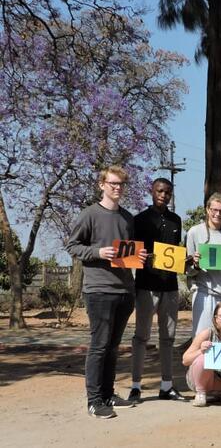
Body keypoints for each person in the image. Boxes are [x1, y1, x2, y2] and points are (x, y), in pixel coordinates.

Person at [66, 165, 147, 418]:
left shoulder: (127, 217)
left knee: (113, 346)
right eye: (112, 183)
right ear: (102, 185)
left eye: (121, 184)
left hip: (125, 290)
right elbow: (73, 246)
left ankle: (109, 393)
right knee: (99, 346)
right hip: (98, 290)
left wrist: (140, 255)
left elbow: (129, 251)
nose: (117, 188)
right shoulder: (89, 214)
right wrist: (97, 252)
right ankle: (94, 400)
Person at [128, 178, 187, 403]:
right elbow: (132, 253)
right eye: (159, 191)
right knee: (141, 337)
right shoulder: (139, 220)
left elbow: (174, 253)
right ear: (151, 192)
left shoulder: (176, 220)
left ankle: (167, 385)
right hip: (145, 287)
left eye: (168, 192)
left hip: (170, 287)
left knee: (168, 338)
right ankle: (135, 386)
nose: (163, 195)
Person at [185, 193, 221, 335]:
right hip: (204, 293)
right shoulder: (194, 232)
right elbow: (187, 270)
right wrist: (195, 265)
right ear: (207, 210)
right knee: (202, 337)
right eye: (214, 209)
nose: (217, 214)